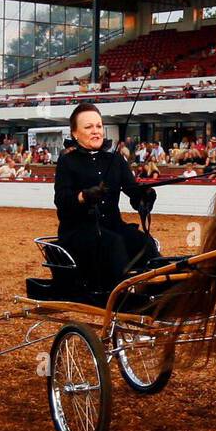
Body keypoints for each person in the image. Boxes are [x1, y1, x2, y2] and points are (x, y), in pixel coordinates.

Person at [54, 102, 158, 296]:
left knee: (145, 243)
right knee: (114, 243)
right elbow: (62, 200)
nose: (96, 131)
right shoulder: (67, 161)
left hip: (112, 226)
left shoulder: (115, 160)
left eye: (99, 126)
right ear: (75, 133)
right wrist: (84, 196)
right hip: (79, 231)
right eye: (88, 127)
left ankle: (160, 291)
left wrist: (145, 196)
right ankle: (122, 297)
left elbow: (133, 192)